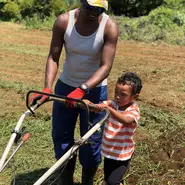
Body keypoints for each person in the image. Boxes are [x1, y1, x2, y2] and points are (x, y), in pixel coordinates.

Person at [29, 0, 119, 184]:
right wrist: (47, 87)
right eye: (90, 7)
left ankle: (87, 181)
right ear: (81, 2)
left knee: (92, 140)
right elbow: (53, 56)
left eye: (99, 9)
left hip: (94, 90)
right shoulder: (64, 21)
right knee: (61, 137)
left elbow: (106, 66)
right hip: (65, 87)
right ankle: (65, 179)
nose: (94, 12)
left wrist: (83, 88)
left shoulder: (109, 26)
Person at [84, 72, 143, 185]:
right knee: (108, 180)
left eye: (123, 94)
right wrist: (89, 104)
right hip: (109, 151)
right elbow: (98, 107)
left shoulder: (133, 110)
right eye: (116, 92)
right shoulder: (113, 104)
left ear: (135, 96)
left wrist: (109, 109)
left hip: (122, 155)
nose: (117, 96)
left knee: (112, 182)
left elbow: (125, 120)